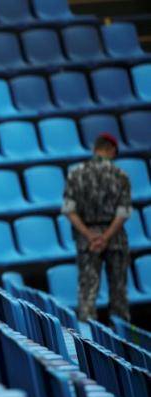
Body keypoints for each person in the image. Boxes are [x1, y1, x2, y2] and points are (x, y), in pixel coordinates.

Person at [62, 133, 132, 322]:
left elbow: (68, 210)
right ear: (111, 150)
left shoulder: (76, 174)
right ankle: (122, 346)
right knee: (119, 294)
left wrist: (91, 236)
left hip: (87, 240)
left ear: (94, 149)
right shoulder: (120, 176)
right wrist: (106, 237)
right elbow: (123, 212)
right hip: (115, 239)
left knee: (87, 294)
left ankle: (87, 346)